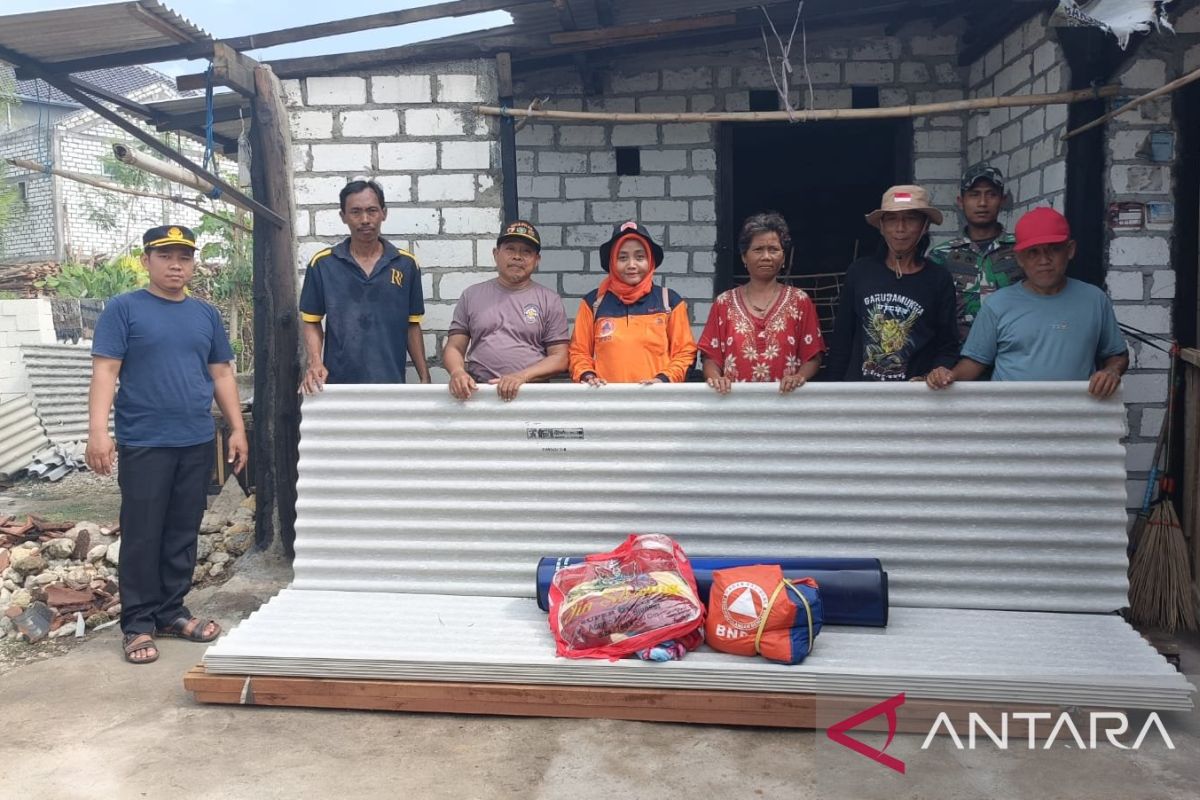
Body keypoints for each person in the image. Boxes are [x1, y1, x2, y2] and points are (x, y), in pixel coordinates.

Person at [85, 225, 248, 665]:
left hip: (195, 439)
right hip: (144, 442)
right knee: (143, 534)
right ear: (146, 260)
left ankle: (171, 612)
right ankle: (138, 623)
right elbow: (106, 371)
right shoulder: (124, 310)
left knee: (181, 530)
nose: (176, 264)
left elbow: (221, 374)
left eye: (184, 256)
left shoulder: (205, 315)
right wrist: (98, 432)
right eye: (166, 256)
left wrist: (237, 428)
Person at [926, 207, 1128, 398]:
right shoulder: (998, 304)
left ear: (1070, 250)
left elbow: (1117, 355)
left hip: (1073, 420)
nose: (1044, 260)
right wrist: (945, 377)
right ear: (1019, 258)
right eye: (1033, 252)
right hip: (1012, 419)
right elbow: (975, 362)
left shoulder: (1094, 300)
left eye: (1054, 249)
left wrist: (1112, 371)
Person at [299, 179, 430, 393]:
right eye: (356, 212)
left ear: (383, 213)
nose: (365, 219)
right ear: (343, 216)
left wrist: (424, 377)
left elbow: (412, 325)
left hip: (392, 384)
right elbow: (312, 321)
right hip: (338, 386)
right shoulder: (323, 264)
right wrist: (315, 362)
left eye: (372, 210)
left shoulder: (406, 265)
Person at [826, 185, 959, 382]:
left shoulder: (938, 279)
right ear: (881, 226)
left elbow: (947, 346)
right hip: (861, 396)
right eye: (892, 219)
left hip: (914, 396)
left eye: (911, 219)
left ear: (925, 226)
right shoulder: (860, 272)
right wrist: (833, 394)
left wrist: (938, 372)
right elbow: (842, 340)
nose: (900, 228)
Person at [699, 212, 825, 393]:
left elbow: (813, 355)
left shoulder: (799, 301)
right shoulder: (724, 303)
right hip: (733, 406)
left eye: (773, 249)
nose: (766, 256)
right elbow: (710, 356)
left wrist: (799, 377)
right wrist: (716, 379)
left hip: (786, 404)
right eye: (758, 249)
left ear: (783, 257)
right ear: (744, 257)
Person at [444, 221, 569, 401]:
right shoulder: (471, 295)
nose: (517, 257)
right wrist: (457, 372)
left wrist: (521, 377)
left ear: (537, 260)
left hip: (532, 395)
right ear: (496, 254)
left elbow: (560, 357)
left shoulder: (549, 300)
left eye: (526, 251)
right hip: (479, 394)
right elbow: (454, 347)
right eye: (510, 249)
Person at [568, 221, 697, 385]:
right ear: (612, 262)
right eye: (622, 258)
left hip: (657, 402)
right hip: (605, 402)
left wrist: (663, 380)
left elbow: (685, 352)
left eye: (640, 257)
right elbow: (578, 352)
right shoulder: (593, 303)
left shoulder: (669, 302)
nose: (631, 265)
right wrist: (587, 376)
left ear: (650, 261)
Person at [928, 163, 1024, 342]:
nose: (982, 203)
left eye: (991, 194)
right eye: (974, 195)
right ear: (960, 201)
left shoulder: (1021, 249)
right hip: (958, 359)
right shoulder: (941, 255)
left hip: (1012, 357)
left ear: (1002, 200)